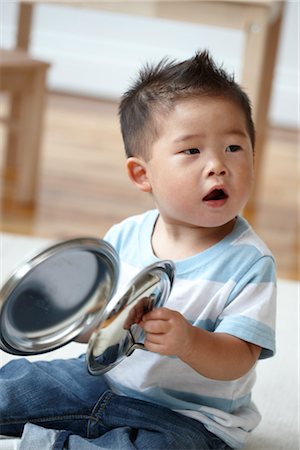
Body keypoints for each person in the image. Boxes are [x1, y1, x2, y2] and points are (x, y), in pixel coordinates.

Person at [0, 50, 276, 450]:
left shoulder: (250, 261)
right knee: (23, 383)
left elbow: (240, 357)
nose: (217, 165)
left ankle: (53, 443)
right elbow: (100, 324)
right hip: (100, 383)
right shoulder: (126, 235)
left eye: (234, 147)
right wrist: (77, 326)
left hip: (187, 418)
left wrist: (189, 342)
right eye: (192, 151)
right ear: (142, 174)